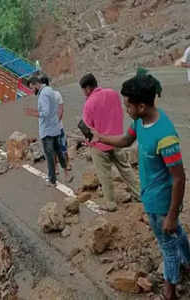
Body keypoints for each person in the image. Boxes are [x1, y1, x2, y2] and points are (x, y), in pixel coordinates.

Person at [92, 74, 190, 300]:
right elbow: (126, 141)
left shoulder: (165, 136)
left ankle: (170, 291)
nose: (126, 108)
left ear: (142, 105)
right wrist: (101, 138)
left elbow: (179, 178)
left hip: (161, 203)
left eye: (128, 105)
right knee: (175, 236)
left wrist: (172, 215)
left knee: (167, 247)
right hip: (150, 196)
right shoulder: (140, 121)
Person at [80, 73, 140, 211]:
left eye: (83, 90)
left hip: (99, 144)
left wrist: (89, 142)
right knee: (126, 168)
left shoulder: (89, 103)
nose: (84, 93)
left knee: (104, 175)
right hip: (117, 140)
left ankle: (110, 203)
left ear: (88, 88)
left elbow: (88, 128)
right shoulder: (112, 93)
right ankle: (140, 194)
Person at [25, 76, 72, 185]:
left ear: (36, 84)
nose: (32, 91)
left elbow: (45, 113)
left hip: (47, 130)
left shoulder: (43, 95)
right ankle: (66, 174)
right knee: (59, 152)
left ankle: (52, 180)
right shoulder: (50, 91)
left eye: (32, 88)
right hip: (55, 127)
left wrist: (33, 113)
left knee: (50, 156)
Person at [40, 77, 71, 173]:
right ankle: (66, 164)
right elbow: (61, 110)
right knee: (61, 146)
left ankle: (57, 167)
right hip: (58, 126)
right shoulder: (56, 94)